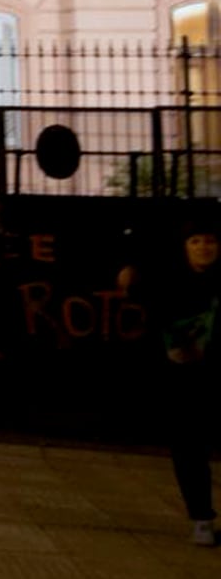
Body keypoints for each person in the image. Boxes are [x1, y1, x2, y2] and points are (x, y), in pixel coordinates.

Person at [122, 209, 221, 545]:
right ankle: (202, 519)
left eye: (209, 241)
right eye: (196, 242)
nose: (204, 247)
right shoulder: (171, 283)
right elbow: (139, 290)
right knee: (188, 449)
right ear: (185, 247)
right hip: (182, 384)